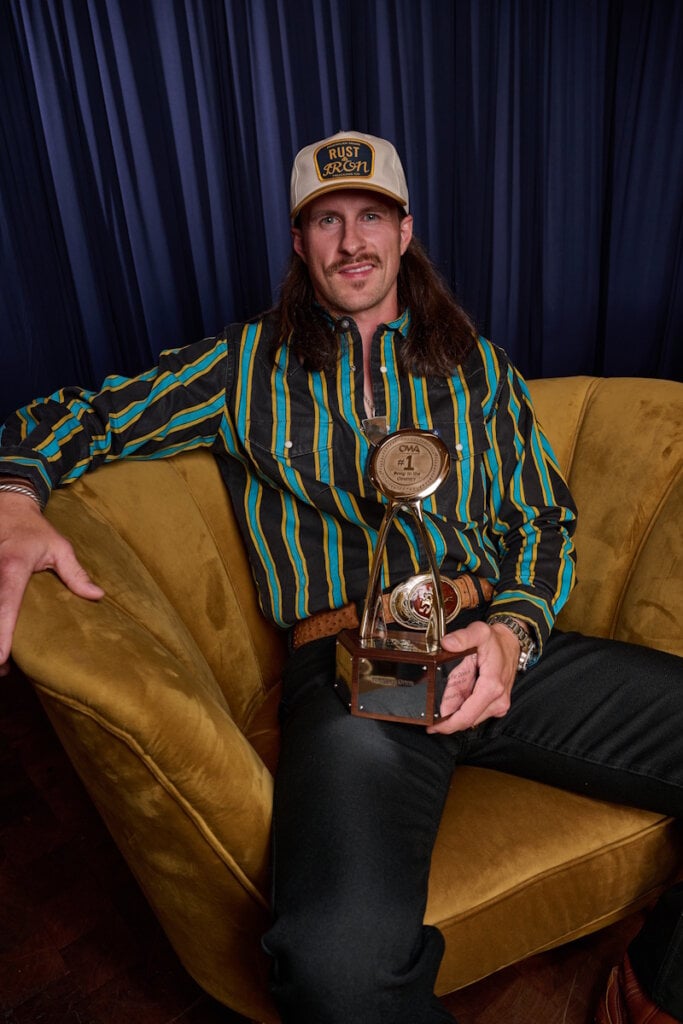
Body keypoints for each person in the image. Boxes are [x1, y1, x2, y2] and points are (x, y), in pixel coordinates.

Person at [0, 130, 681, 1023]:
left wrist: (512, 635)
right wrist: (14, 497)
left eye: (371, 216)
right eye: (326, 220)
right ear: (298, 242)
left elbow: (543, 522)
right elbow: (80, 418)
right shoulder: (243, 366)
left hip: (496, 644)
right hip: (357, 673)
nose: (351, 240)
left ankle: (651, 991)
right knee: (333, 966)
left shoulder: (477, 368)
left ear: (405, 233)